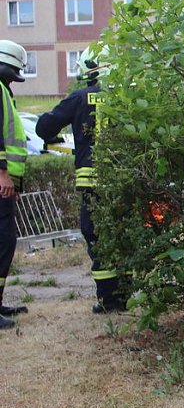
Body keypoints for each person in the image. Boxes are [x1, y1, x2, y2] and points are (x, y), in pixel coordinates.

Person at [37, 44, 123, 314]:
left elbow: (44, 127)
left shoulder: (80, 97)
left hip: (92, 183)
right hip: (123, 181)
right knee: (123, 233)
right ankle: (127, 294)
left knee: (96, 234)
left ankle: (109, 300)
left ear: (89, 68)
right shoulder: (125, 97)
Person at [0, 40, 31, 329]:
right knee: (2, 241)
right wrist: (3, 174)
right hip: (0, 180)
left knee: (6, 241)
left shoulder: (3, 91)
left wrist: (14, 183)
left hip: (5, 184)